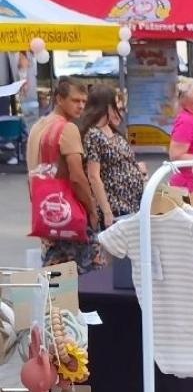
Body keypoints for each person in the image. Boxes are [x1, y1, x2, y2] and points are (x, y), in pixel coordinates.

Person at [27, 78, 102, 271]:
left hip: (44, 209)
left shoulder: (38, 126)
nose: (81, 106)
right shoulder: (67, 128)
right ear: (59, 99)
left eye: (84, 101)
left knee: (55, 278)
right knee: (86, 276)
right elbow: (77, 177)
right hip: (68, 212)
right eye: (75, 100)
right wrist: (92, 209)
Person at [80, 84, 145, 228]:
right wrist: (107, 211)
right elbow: (94, 176)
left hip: (132, 203)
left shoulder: (113, 130)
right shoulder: (94, 135)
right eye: (116, 104)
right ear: (106, 106)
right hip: (116, 205)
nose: (120, 107)